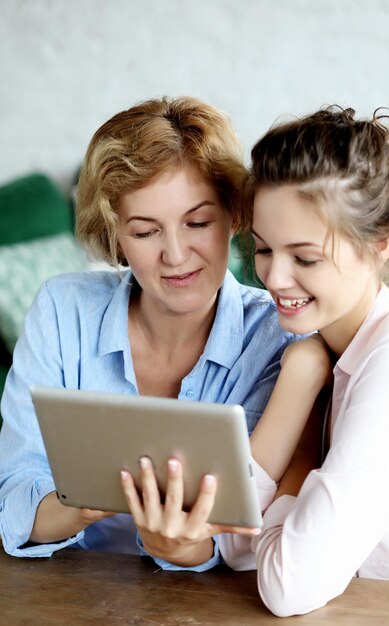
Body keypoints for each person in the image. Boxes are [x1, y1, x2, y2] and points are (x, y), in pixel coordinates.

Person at [0, 96, 298, 570]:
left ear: (235, 216)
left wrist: (180, 547)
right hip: (65, 591)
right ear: (115, 237)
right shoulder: (62, 309)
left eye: (198, 223)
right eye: (144, 232)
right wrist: (80, 503)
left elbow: (247, 532)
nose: (176, 256)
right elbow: (15, 494)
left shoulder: (277, 338)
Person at [218, 106, 389, 614]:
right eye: (262, 249)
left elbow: (287, 586)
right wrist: (300, 380)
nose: (273, 278)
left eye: (305, 258)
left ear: (380, 244)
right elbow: (233, 544)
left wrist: (297, 467)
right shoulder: (318, 352)